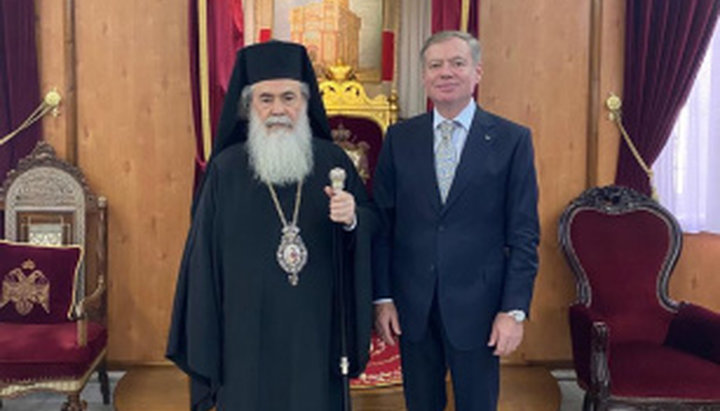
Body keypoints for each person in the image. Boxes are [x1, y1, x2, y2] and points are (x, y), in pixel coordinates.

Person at [166, 41, 374, 411]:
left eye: (289, 97)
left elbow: (372, 224)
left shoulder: (331, 161)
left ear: (306, 102)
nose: (279, 109)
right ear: (248, 106)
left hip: (315, 328)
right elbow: (203, 261)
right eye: (266, 99)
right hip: (244, 333)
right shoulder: (226, 170)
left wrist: (353, 216)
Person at [372, 31, 540, 410]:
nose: (445, 72)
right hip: (413, 307)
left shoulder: (512, 140)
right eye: (435, 65)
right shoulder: (399, 139)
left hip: (479, 308)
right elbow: (382, 226)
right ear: (424, 76)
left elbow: (524, 233)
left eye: (457, 63)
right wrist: (382, 298)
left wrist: (513, 311)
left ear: (477, 72)